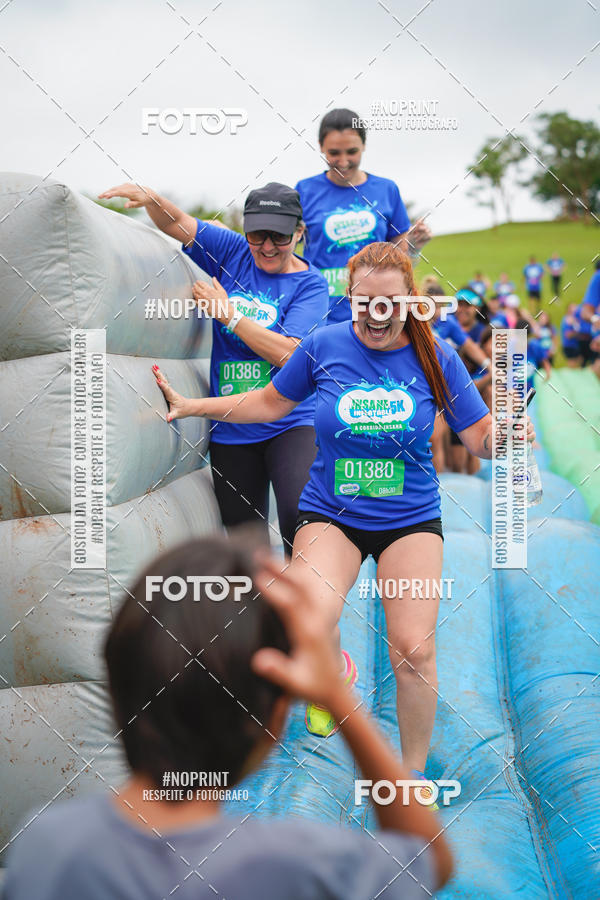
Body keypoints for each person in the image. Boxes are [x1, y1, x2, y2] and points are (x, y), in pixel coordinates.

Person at [151, 243, 535, 785]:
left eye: (389, 304)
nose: (376, 315)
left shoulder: (435, 356)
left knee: (414, 651)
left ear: (409, 304)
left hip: (408, 519)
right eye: (364, 302)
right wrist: (196, 407)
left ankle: (411, 775)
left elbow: (478, 437)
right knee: (306, 621)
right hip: (332, 513)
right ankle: (337, 672)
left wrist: (509, 436)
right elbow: (268, 403)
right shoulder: (323, 345)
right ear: (349, 298)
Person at [2, 534, 454, 898]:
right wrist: (339, 698)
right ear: (275, 719)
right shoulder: (295, 867)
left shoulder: (43, 844)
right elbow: (427, 859)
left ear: (118, 691)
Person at [98, 182, 328, 552]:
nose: (267, 246)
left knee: (299, 524)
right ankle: (260, 610)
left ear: (299, 233)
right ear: (245, 229)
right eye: (257, 234)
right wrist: (155, 199)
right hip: (233, 424)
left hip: (290, 422)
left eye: (279, 237)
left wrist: (229, 316)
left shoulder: (310, 285)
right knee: (245, 545)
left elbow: (288, 355)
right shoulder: (232, 250)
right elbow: (177, 225)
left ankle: (306, 607)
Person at [295, 108, 431, 324]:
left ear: (364, 146)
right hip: (320, 314)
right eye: (334, 153)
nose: (343, 161)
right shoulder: (304, 190)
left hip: (377, 313)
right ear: (321, 147)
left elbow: (401, 260)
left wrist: (414, 246)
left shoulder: (386, 189)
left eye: (352, 152)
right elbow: (287, 252)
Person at [560, 303, 583, 367]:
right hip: (569, 346)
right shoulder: (566, 320)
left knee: (580, 363)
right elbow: (568, 335)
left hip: (576, 345)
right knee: (572, 365)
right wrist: (579, 333)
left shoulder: (576, 319)